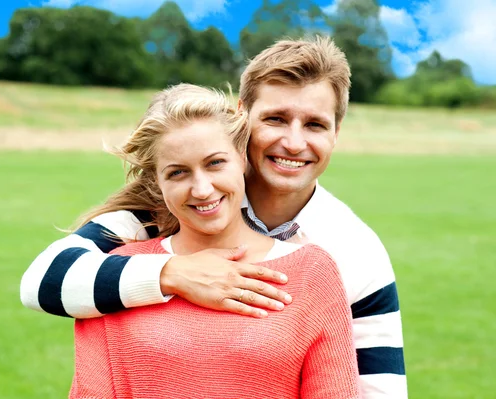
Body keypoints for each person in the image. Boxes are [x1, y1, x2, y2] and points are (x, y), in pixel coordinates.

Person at [21, 36, 406, 398]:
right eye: (275, 119)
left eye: (315, 124)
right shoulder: (159, 212)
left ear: (336, 133)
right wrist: (173, 273)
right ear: (243, 119)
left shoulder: (354, 253)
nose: (293, 142)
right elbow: (42, 280)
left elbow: (380, 389)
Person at [69, 83, 360, 398]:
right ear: (157, 182)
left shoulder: (312, 273)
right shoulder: (115, 274)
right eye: (178, 173)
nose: (202, 189)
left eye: (215, 163)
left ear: (242, 159)